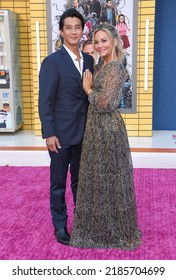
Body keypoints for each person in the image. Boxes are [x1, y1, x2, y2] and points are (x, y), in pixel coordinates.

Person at [70, 23, 142, 249]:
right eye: (97, 41)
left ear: (114, 41)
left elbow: (105, 103)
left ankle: (113, 232)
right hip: (95, 128)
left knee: (109, 178)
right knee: (98, 178)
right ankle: (99, 228)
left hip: (108, 130)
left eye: (104, 41)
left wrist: (88, 89)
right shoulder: (101, 64)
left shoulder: (115, 68)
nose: (100, 45)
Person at [38, 9, 94, 245]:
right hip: (60, 135)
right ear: (61, 31)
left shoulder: (89, 59)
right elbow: (45, 100)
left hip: (85, 133)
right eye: (68, 27)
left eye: (77, 27)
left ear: (83, 31)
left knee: (81, 182)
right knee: (58, 183)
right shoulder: (52, 62)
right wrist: (49, 133)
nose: (73, 31)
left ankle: (82, 222)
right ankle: (60, 226)